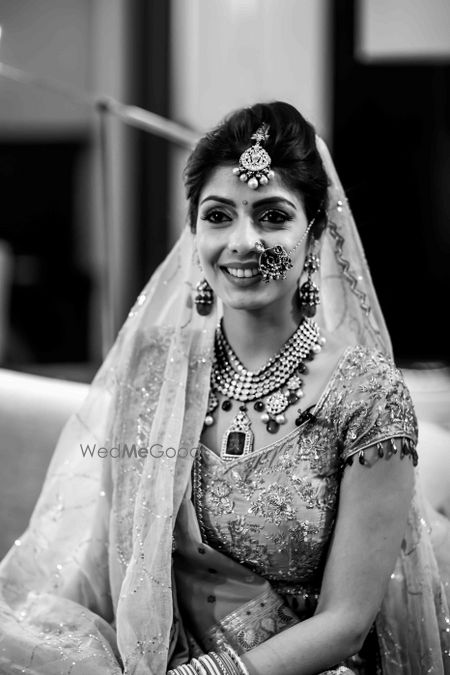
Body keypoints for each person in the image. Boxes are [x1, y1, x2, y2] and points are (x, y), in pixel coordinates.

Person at [0, 101, 449, 675]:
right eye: (218, 216)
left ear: (314, 237)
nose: (242, 241)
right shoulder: (156, 368)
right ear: (194, 232)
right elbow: (104, 557)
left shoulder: (368, 396)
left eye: (271, 215)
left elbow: (346, 623)